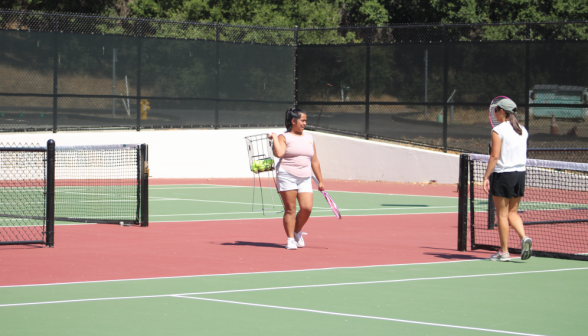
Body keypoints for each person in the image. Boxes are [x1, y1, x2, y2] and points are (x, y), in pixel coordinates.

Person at [483, 97, 533, 261]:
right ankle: (524, 238)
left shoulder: (498, 131)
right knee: (513, 212)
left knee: (502, 215)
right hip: (520, 175)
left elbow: (494, 156)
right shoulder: (523, 130)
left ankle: (504, 252)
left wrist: (486, 176)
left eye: (496, 110)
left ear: (501, 111)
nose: (494, 113)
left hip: (504, 175)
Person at [268, 108, 325, 250]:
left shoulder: (309, 138)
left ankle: (297, 231)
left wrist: (320, 181)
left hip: (305, 177)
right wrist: (274, 137)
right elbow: (280, 153)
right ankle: (290, 239)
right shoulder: (284, 137)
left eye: (305, 120)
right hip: (287, 175)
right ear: (293, 121)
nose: (305, 123)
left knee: (307, 208)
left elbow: (315, 161)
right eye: (303, 120)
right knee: (290, 209)